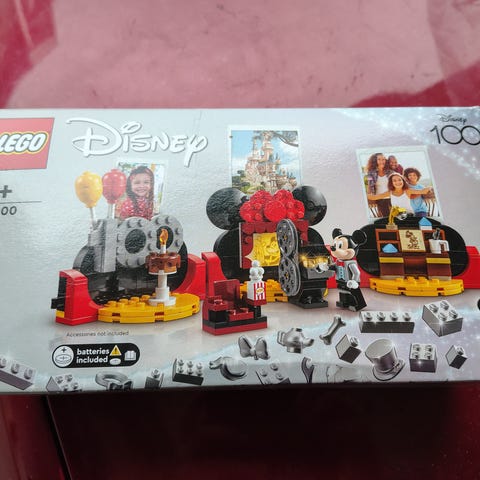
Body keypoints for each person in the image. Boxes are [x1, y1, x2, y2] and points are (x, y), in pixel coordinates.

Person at [365, 153, 393, 217]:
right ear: (375, 160)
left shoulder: (390, 172)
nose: (381, 161)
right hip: (380, 200)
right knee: (387, 218)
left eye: (383, 159)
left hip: (392, 197)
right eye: (379, 159)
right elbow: (369, 185)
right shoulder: (370, 173)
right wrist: (369, 196)